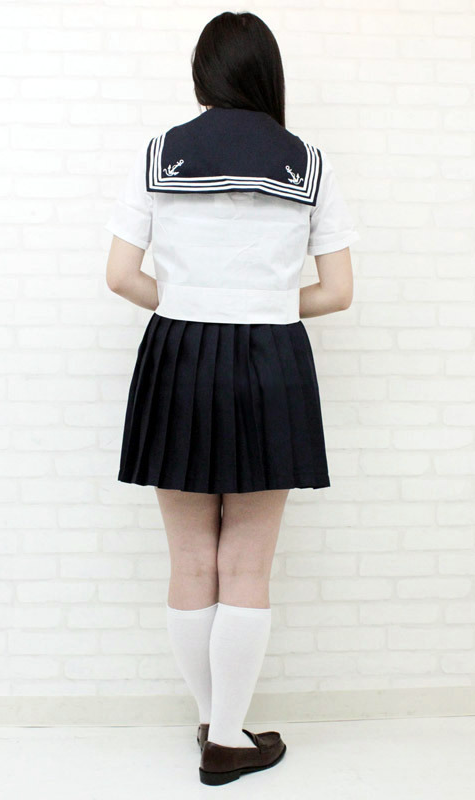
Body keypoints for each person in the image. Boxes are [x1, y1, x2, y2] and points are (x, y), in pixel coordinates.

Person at [104, 10, 359, 787]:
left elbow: (119, 275)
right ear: (267, 74)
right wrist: (266, 306)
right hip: (270, 359)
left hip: (177, 357)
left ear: (203, 74)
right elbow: (338, 291)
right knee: (245, 563)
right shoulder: (307, 163)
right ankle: (226, 738)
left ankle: (214, 724)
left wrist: (191, 300)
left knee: (191, 562)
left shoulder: (161, 155)